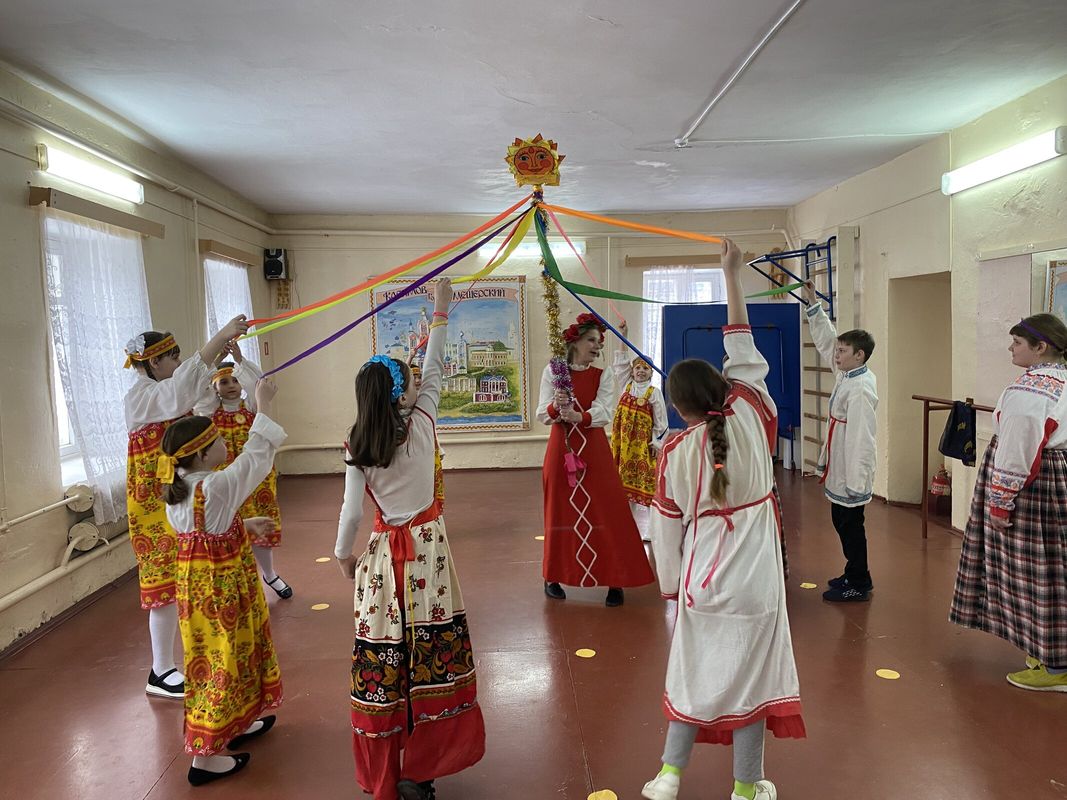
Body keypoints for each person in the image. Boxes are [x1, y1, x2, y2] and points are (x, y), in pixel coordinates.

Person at [642, 239, 803, 800]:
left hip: (702, 576)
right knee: (753, 678)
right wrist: (730, 274)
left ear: (677, 406)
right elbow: (741, 340)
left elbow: (665, 530)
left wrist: (671, 588)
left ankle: (669, 777)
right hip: (756, 575)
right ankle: (745, 787)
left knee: (693, 669)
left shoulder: (674, 452)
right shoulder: (751, 410)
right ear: (724, 386)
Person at [336, 278, 485, 800]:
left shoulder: (357, 442)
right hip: (428, 555)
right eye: (413, 381)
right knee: (429, 649)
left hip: (382, 559)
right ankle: (423, 771)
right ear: (404, 393)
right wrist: (441, 311)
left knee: (386, 655)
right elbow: (436, 365)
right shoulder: (422, 423)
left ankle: (384, 770)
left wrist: (342, 556)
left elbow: (352, 512)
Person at [159, 377, 285, 785]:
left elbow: (202, 532)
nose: (223, 442)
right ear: (201, 454)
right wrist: (263, 402)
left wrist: (243, 525)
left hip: (200, 588)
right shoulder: (216, 485)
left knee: (230, 651)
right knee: (222, 661)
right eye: (215, 440)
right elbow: (256, 457)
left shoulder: (181, 490)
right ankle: (205, 758)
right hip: (222, 588)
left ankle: (236, 722)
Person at [124, 316, 249, 699]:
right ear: (153, 362)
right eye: (173, 359)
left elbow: (198, 402)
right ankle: (161, 669)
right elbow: (180, 393)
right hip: (153, 500)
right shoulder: (141, 397)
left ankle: (178, 664)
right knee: (163, 581)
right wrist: (220, 336)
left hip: (172, 493)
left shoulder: (163, 393)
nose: (178, 366)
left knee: (184, 578)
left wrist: (215, 360)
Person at [950, 313, 1067, 692]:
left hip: (1034, 487)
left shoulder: (1031, 390)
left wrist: (1000, 503)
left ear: (1041, 347)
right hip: (1057, 477)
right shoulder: (1062, 381)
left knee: (1035, 574)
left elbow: (1018, 451)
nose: (1010, 349)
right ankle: (1050, 651)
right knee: (1056, 568)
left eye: (1017, 343)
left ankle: (1055, 667)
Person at [536, 313, 655, 606]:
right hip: (561, 452)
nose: (597, 346)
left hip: (594, 450)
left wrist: (580, 416)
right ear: (575, 341)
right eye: (592, 340)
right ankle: (554, 576)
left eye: (599, 342)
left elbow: (605, 410)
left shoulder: (603, 375)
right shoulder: (554, 372)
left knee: (608, 510)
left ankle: (615, 578)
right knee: (559, 512)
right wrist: (556, 407)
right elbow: (542, 413)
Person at [802, 280, 878, 602]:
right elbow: (826, 340)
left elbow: (863, 437)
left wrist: (857, 481)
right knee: (842, 520)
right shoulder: (848, 374)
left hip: (850, 468)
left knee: (850, 524)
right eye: (839, 350)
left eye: (843, 351)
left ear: (859, 355)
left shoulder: (860, 389)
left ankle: (859, 582)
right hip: (840, 461)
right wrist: (812, 302)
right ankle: (854, 571)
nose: (836, 355)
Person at [195, 343, 291, 599]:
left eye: (235, 380)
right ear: (215, 388)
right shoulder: (210, 413)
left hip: (258, 481)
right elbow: (200, 392)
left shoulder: (251, 409)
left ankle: (269, 573)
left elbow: (258, 385)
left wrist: (240, 360)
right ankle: (240, 579)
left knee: (261, 524)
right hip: (228, 482)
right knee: (231, 526)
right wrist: (212, 362)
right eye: (223, 382)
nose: (231, 385)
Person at [610, 320, 668, 540]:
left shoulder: (654, 393)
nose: (641, 371)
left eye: (645, 368)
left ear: (651, 373)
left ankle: (652, 530)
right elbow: (621, 362)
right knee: (624, 486)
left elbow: (661, 421)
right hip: (624, 446)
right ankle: (629, 528)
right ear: (632, 371)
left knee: (647, 485)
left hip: (643, 447)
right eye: (638, 368)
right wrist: (624, 334)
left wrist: (656, 443)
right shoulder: (626, 384)